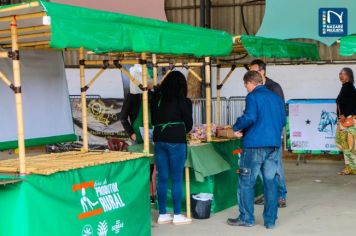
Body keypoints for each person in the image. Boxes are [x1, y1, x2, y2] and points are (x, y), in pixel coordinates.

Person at [227, 71, 286, 229]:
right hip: (273, 145)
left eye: (245, 85)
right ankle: (270, 220)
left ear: (250, 83)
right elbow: (282, 121)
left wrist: (236, 127)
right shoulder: (277, 98)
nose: (246, 88)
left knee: (246, 182)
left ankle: (247, 218)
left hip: (254, 145)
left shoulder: (252, 96)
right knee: (270, 182)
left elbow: (250, 117)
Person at [151, 71, 193, 225]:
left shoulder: (156, 99)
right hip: (176, 140)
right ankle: (177, 215)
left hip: (159, 140)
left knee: (162, 177)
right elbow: (189, 125)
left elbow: (153, 119)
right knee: (176, 178)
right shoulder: (184, 101)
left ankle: (162, 214)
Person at [249, 59, 287, 208]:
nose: (250, 73)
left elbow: (280, 112)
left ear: (262, 71)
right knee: (261, 168)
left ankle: (281, 195)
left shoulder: (274, 87)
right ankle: (269, 193)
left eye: (253, 70)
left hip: (272, 134)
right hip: (258, 134)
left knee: (276, 166)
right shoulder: (255, 89)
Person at [119, 64, 155, 202]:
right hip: (138, 137)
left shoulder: (152, 95)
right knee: (140, 167)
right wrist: (131, 134)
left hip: (152, 135)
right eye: (150, 78)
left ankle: (149, 195)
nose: (151, 81)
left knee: (151, 165)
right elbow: (122, 117)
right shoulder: (132, 97)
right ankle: (138, 195)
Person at [335, 67, 356, 175]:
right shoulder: (346, 87)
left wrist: (345, 114)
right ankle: (351, 167)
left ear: (348, 75)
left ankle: (351, 167)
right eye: (339, 73)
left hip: (348, 122)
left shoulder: (349, 88)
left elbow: (353, 104)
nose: (340, 75)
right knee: (347, 145)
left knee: (348, 145)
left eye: (342, 73)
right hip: (345, 121)